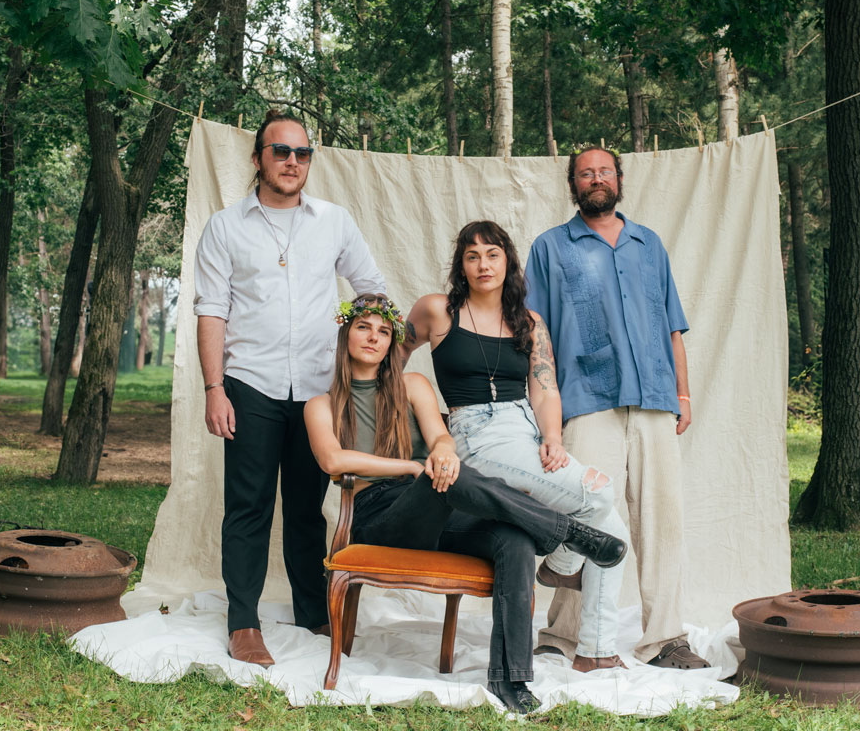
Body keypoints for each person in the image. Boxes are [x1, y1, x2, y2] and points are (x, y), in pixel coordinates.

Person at [304, 294, 626, 713]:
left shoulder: (413, 386)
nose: (374, 338)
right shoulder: (321, 405)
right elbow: (333, 459)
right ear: (347, 333)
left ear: (391, 344)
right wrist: (409, 468)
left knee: (510, 537)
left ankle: (510, 682)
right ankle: (566, 532)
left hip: (436, 504)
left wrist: (442, 452)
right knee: (446, 478)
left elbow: (441, 437)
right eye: (364, 327)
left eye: (384, 332)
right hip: (381, 516)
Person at [193, 110, 386, 666]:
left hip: (318, 393)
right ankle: (243, 623)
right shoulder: (226, 227)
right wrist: (214, 388)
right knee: (248, 507)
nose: (292, 162)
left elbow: (371, 289)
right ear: (258, 159)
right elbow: (212, 311)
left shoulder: (334, 221)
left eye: (302, 154)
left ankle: (311, 611)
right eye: (281, 151)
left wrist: (360, 347)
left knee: (307, 508)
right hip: (249, 385)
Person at [404, 221, 631, 672]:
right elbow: (388, 362)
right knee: (600, 493)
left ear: (507, 261)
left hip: (525, 429)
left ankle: (596, 651)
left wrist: (551, 439)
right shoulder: (437, 310)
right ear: (461, 266)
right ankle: (564, 565)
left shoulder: (529, 322)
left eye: (492, 254)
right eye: (472, 256)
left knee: (614, 529)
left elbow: (544, 389)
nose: (483, 264)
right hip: (474, 434)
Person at [523, 145, 709, 669]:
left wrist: (683, 394)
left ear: (619, 179)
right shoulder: (550, 247)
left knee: (661, 520)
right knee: (585, 516)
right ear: (573, 185)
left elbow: (672, 324)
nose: (596, 179)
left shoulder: (649, 245)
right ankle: (562, 634)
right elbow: (537, 333)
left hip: (653, 396)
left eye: (604, 171)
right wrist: (547, 415)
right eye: (586, 173)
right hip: (585, 399)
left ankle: (666, 639)